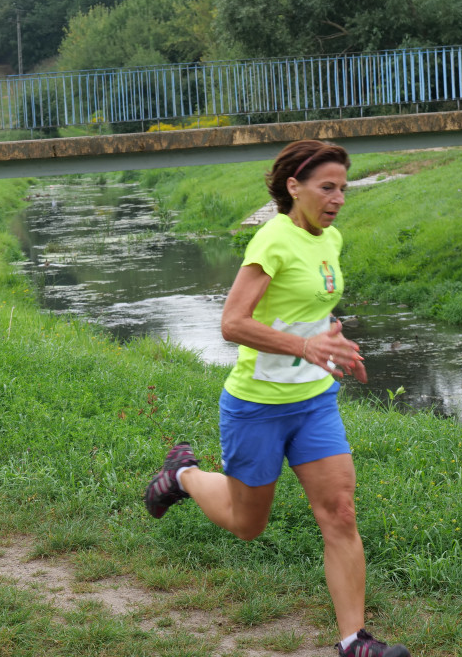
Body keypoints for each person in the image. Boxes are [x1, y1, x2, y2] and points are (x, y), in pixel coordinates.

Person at [144, 139, 410, 657]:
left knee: (339, 512)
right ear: (294, 187)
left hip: (313, 402)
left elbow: (311, 306)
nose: (337, 198)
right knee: (249, 525)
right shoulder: (272, 240)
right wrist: (305, 345)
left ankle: (354, 642)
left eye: (343, 188)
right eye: (326, 187)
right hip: (257, 407)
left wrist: (333, 343)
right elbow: (232, 323)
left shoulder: (329, 238)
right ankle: (183, 475)